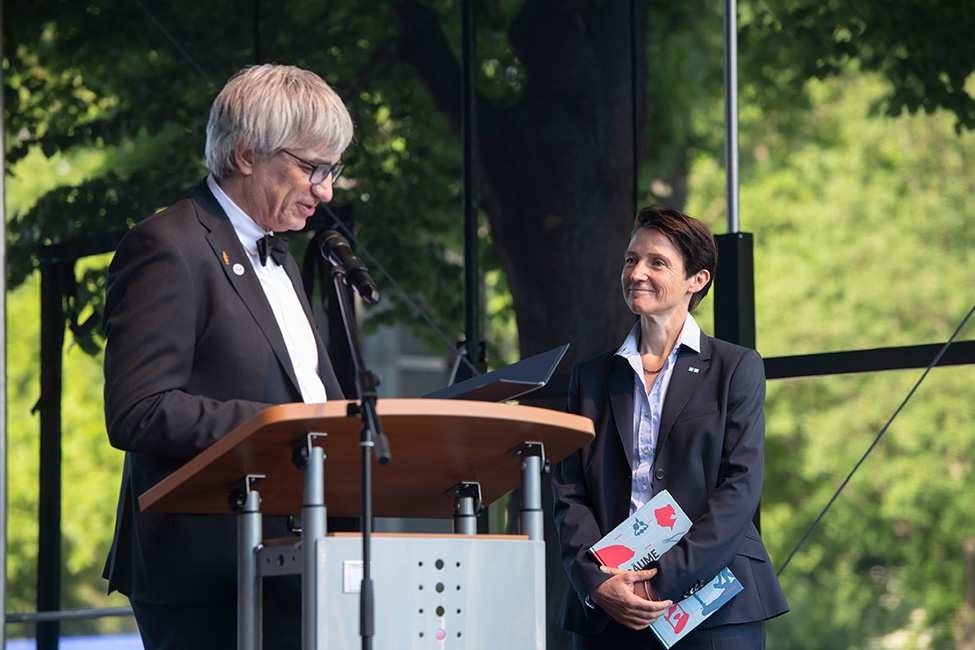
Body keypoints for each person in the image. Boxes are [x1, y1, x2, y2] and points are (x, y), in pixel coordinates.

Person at [101, 64, 353, 650]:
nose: (326, 189)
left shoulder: (283, 256)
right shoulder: (166, 245)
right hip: (205, 572)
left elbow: (310, 392)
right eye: (313, 168)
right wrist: (284, 429)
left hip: (302, 557)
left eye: (332, 169)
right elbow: (139, 409)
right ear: (245, 154)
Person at [552, 207, 789, 649]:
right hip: (609, 607)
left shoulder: (735, 368)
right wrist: (596, 583)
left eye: (656, 262)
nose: (637, 272)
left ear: (697, 280)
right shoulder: (590, 378)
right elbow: (569, 491)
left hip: (714, 607)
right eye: (630, 260)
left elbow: (740, 488)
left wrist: (660, 584)